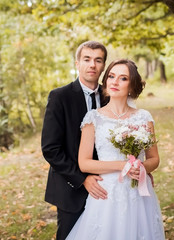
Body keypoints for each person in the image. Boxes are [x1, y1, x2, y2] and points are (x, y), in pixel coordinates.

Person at [66, 59, 165, 239]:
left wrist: (142, 167)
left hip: (139, 192)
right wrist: (123, 165)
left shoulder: (144, 117)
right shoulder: (93, 118)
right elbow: (84, 163)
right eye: (111, 76)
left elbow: (154, 159)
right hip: (106, 193)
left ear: (132, 86)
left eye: (123, 78)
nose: (114, 82)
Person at [41, 41, 109, 240]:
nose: (92, 65)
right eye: (87, 59)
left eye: (98, 60)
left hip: (106, 185)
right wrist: (82, 179)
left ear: (104, 65)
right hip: (70, 188)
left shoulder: (110, 96)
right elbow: (51, 148)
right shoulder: (59, 97)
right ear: (77, 63)